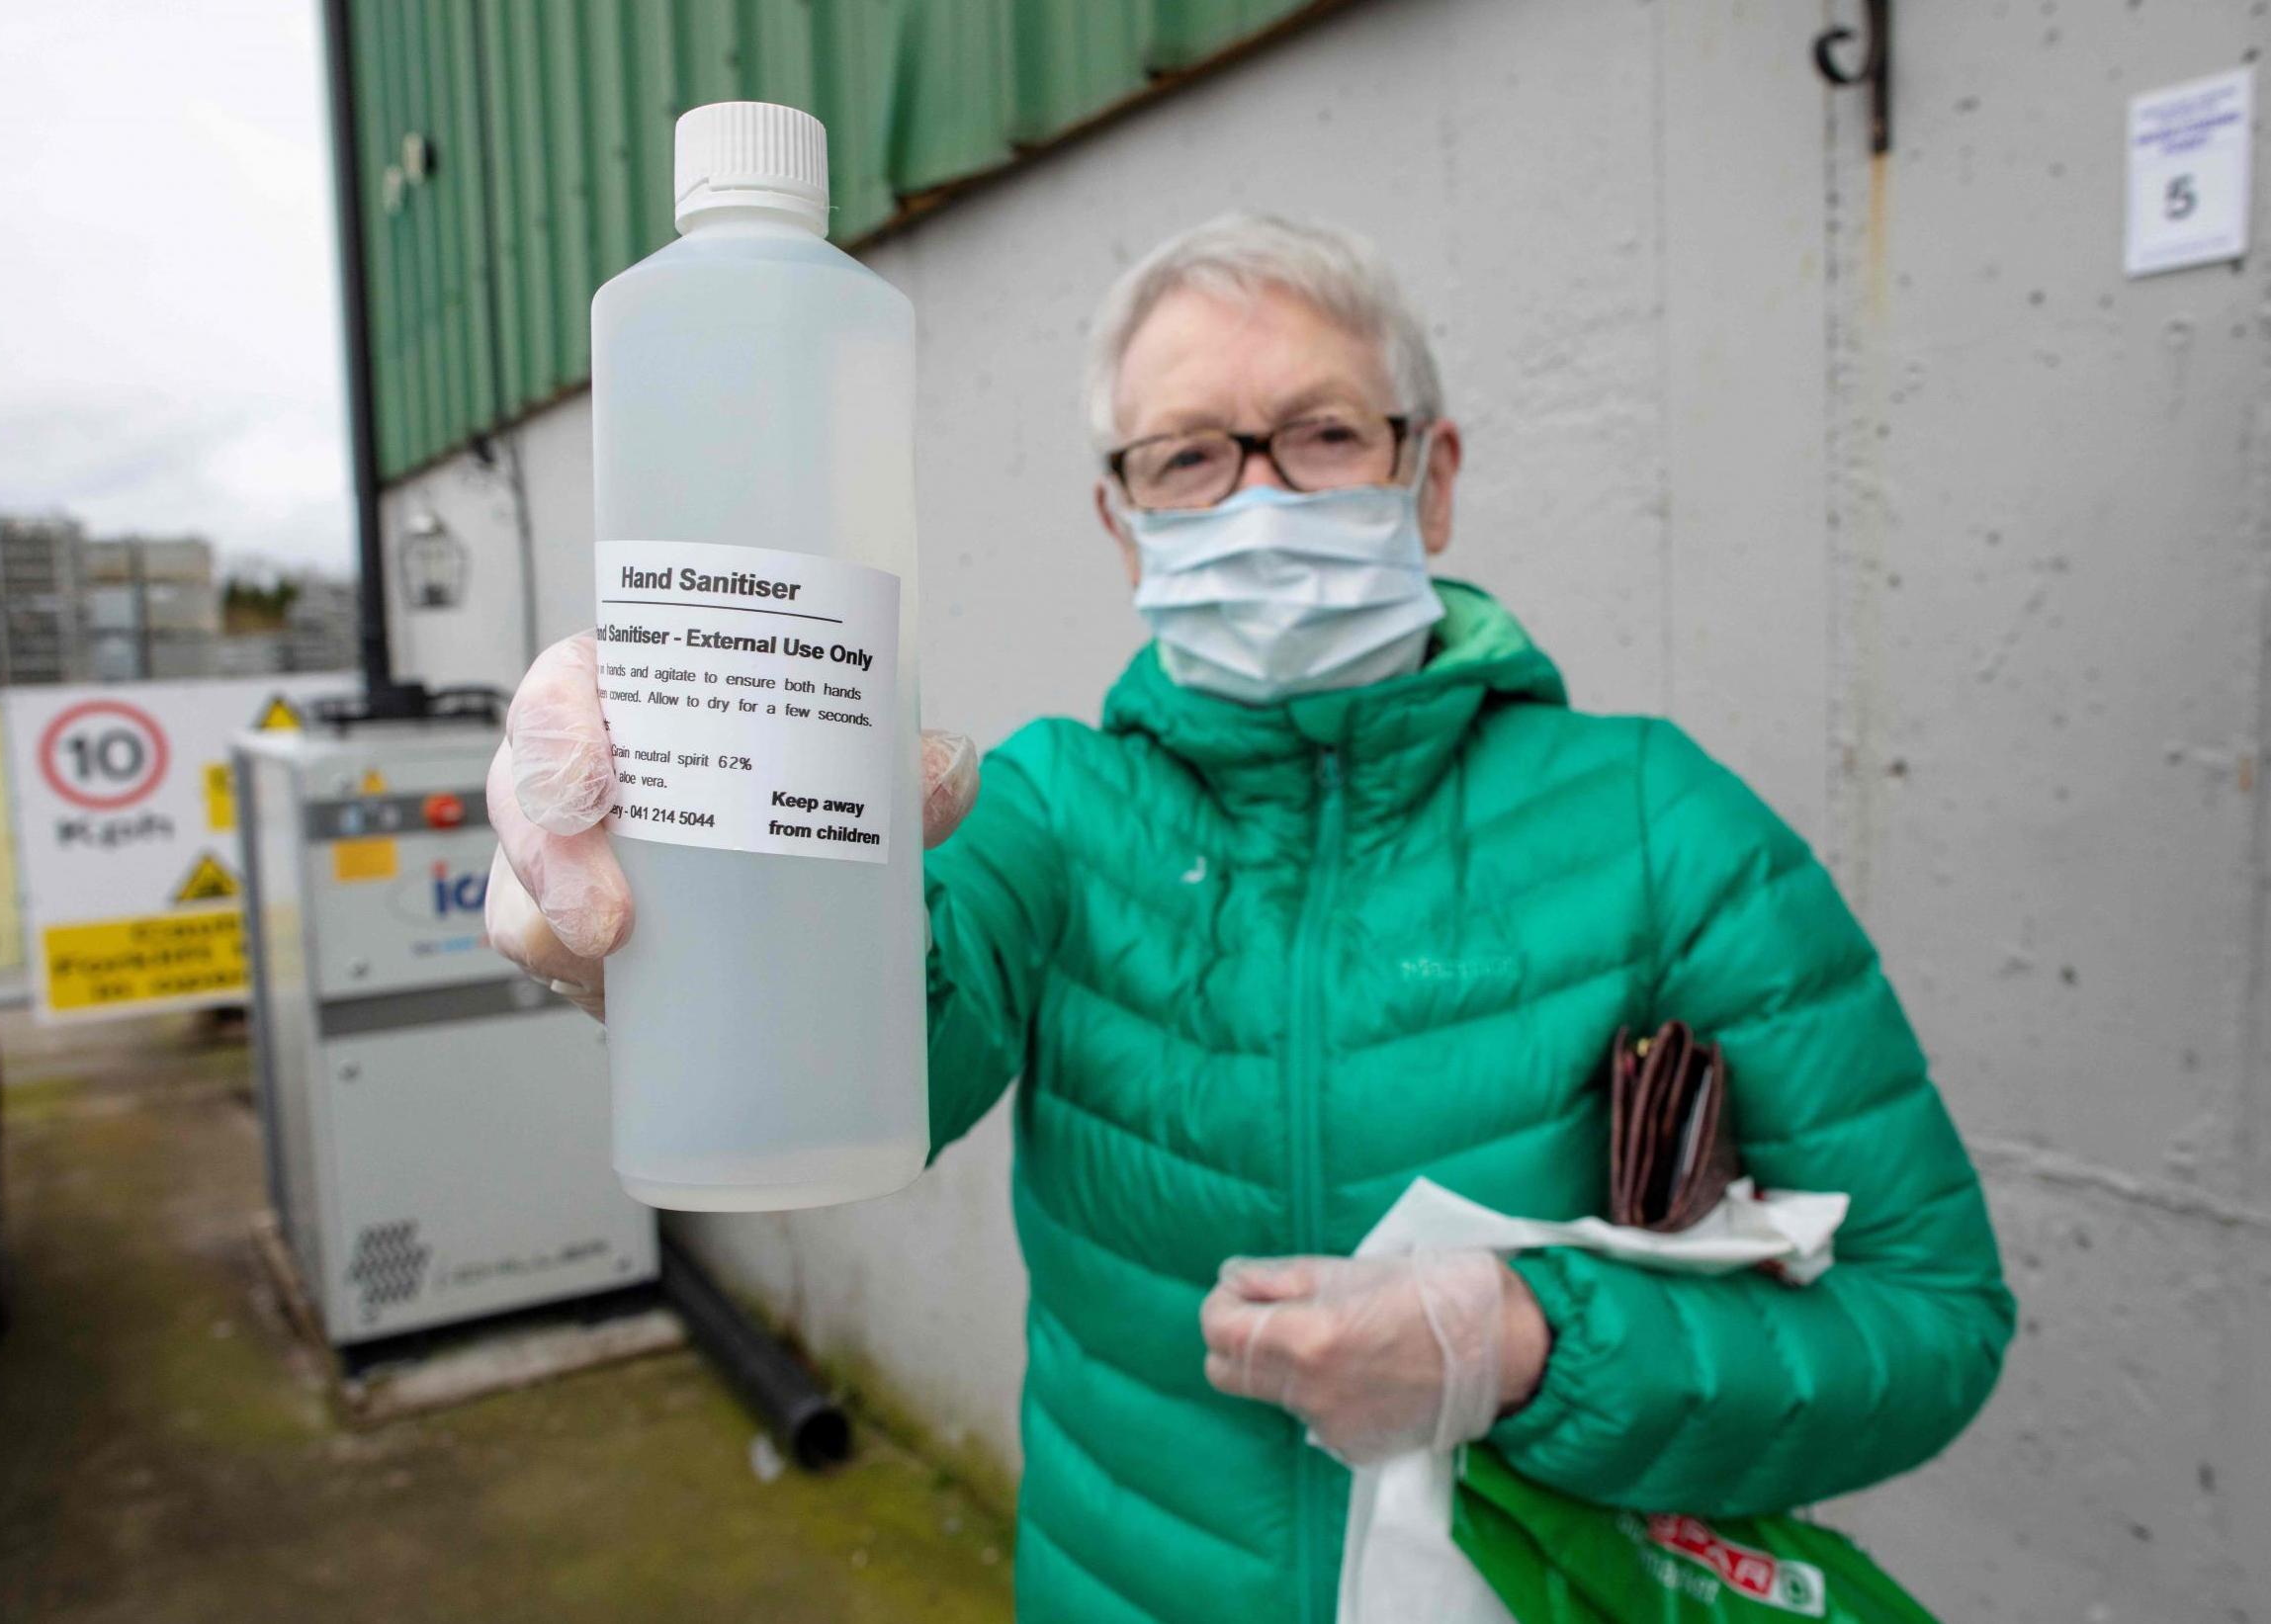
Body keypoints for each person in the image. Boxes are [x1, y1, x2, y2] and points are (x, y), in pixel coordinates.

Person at [485, 214, 2014, 1623]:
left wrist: (1529, 1347)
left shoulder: (1655, 826)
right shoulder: (1048, 819)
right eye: (1188, 457)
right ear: (1118, 513)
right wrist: (666, 871)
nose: (1260, 497)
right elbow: (849, 1052)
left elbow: (1928, 1319)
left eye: (1322, 433)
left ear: (1432, 470)